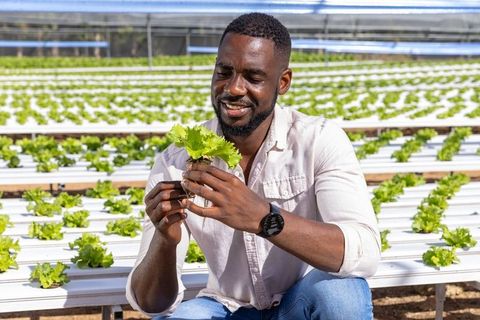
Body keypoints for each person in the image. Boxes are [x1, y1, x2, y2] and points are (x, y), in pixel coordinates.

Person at [127, 12, 381, 319]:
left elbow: (364, 251)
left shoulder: (318, 140)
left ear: (283, 82)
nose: (233, 88)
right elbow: (151, 304)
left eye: (253, 77)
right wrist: (165, 240)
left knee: (342, 295)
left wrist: (265, 219)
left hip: (298, 303)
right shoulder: (176, 160)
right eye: (224, 72)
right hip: (226, 306)